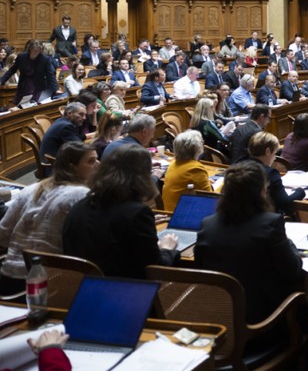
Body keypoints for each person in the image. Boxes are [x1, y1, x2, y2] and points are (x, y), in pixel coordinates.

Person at [194, 160, 306, 326]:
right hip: (264, 319)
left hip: (221, 315)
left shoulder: (207, 225)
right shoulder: (271, 224)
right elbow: (293, 270)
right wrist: (289, 242)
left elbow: (201, 269)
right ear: (261, 192)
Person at [63, 144, 179, 278]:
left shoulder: (78, 207)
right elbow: (156, 268)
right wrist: (166, 249)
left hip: (82, 285)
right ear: (144, 176)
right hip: (126, 287)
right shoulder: (137, 214)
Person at [0, 141, 98, 295]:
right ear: (73, 167)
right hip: (48, 285)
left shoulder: (31, 189)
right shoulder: (81, 195)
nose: (98, 164)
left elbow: (3, 236)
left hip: (9, 277)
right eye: (91, 161)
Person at [242, 131, 304, 216]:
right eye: (275, 153)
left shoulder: (239, 166)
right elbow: (286, 204)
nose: (275, 158)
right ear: (267, 151)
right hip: (265, 219)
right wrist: (300, 191)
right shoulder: (271, 173)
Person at [162, 130, 212, 212]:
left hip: (170, 211)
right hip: (183, 214)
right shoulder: (195, 168)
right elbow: (210, 197)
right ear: (196, 148)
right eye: (201, 142)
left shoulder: (173, 164)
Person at [0, 39, 59, 104]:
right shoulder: (22, 56)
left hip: (37, 87)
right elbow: (12, 70)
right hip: (24, 85)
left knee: (34, 105)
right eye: (35, 50)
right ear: (30, 49)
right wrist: (2, 80)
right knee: (20, 104)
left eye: (38, 50)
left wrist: (55, 89)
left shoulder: (45, 59)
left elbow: (50, 75)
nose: (36, 52)